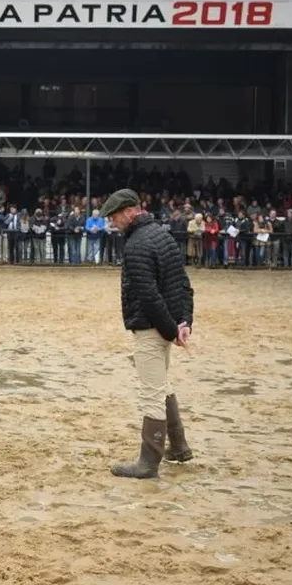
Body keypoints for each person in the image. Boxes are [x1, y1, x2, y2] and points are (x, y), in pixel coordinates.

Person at [99, 188, 195, 480]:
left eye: (114, 216)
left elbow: (149, 296)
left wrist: (169, 329)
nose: (112, 222)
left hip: (150, 328)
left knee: (151, 392)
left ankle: (148, 462)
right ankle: (178, 446)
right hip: (166, 326)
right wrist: (183, 323)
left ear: (130, 211)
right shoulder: (163, 235)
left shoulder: (137, 245)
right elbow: (183, 285)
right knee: (161, 384)